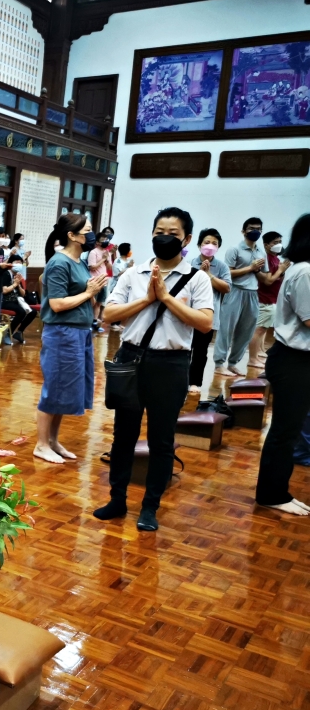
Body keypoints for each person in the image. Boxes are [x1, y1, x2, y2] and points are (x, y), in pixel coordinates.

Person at [95, 207, 214, 532]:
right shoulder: (133, 274)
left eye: (173, 234)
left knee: (161, 441)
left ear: (186, 239)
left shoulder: (197, 278)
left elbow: (205, 323)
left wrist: (166, 297)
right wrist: (148, 299)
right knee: (123, 438)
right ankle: (117, 500)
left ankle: (150, 507)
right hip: (131, 359)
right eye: (160, 231)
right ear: (152, 234)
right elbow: (109, 314)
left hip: (171, 365)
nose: (165, 237)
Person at [35, 214, 106, 464]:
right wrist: (88, 293)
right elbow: (56, 304)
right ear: (72, 236)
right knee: (54, 388)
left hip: (79, 333)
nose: (91, 235)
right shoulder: (59, 262)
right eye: (87, 230)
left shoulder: (79, 261)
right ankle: (41, 444)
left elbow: (87, 294)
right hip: (61, 333)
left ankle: (53, 441)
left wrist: (95, 290)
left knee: (65, 390)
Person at [254, 214, 310, 517]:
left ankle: (278, 490)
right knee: (284, 431)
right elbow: (309, 319)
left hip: (299, 360)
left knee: (289, 430)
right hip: (293, 361)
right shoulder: (305, 272)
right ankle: (272, 494)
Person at [214, 217, 266, 376]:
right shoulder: (234, 249)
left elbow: (263, 276)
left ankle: (233, 363)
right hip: (235, 291)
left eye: (258, 228)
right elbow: (227, 273)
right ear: (243, 231)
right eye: (251, 228)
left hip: (252, 293)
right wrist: (250, 268)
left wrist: (257, 271)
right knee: (226, 329)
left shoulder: (261, 252)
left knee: (246, 331)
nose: (255, 231)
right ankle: (219, 364)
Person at [188, 229, 232, 394]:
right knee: (184, 348)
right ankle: (180, 380)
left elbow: (227, 288)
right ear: (199, 245)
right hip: (188, 313)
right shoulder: (189, 263)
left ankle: (195, 382)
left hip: (208, 315)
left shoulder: (221, 267)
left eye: (214, 243)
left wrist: (208, 275)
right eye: (207, 242)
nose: (210, 246)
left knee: (201, 350)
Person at [249, 231, 290, 370]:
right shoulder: (265, 259)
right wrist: (281, 270)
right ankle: (252, 359)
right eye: (275, 242)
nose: (278, 245)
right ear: (266, 245)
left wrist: (282, 270)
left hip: (272, 299)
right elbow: (269, 281)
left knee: (264, 328)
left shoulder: (275, 258)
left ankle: (259, 352)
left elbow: (278, 278)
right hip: (264, 299)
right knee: (259, 330)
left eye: (280, 242)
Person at [1, 254, 37, 344]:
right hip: (4, 301)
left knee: (33, 312)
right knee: (21, 311)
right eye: (16, 262)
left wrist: (19, 284)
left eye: (20, 263)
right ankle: (8, 334)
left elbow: (23, 294)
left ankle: (19, 332)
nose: (19, 264)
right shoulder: (5, 274)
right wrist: (14, 285)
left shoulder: (17, 275)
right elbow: (4, 291)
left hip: (16, 300)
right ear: (10, 264)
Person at [87, 233, 112, 334]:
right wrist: (103, 259)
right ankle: (87, 323)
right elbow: (92, 267)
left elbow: (109, 268)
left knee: (99, 303)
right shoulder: (93, 252)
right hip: (94, 280)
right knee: (91, 303)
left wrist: (107, 260)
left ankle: (94, 323)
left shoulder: (107, 252)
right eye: (103, 239)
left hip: (104, 281)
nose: (106, 241)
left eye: (106, 239)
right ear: (97, 242)